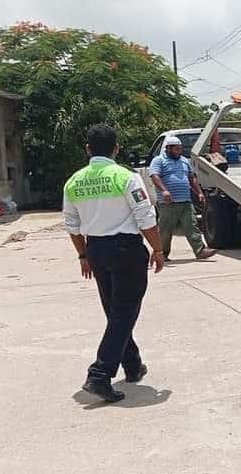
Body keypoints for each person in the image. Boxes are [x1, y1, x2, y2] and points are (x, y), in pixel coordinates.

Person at [63, 125, 166, 403]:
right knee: (124, 311)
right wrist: (158, 249)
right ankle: (100, 373)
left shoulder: (74, 181)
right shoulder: (126, 177)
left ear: (88, 150)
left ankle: (132, 365)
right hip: (125, 250)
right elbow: (146, 217)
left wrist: (83, 255)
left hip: (96, 250)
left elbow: (71, 225)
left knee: (115, 311)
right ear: (116, 149)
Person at [149, 136, 216, 260]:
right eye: (176, 149)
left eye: (180, 149)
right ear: (168, 148)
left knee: (192, 226)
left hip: (186, 201)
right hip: (168, 203)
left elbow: (192, 177)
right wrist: (164, 191)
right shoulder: (158, 160)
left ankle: (200, 251)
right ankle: (162, 254)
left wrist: (199, 193)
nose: (179, 151)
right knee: (165, 230)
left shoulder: (184, 161)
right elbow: (154, 176)